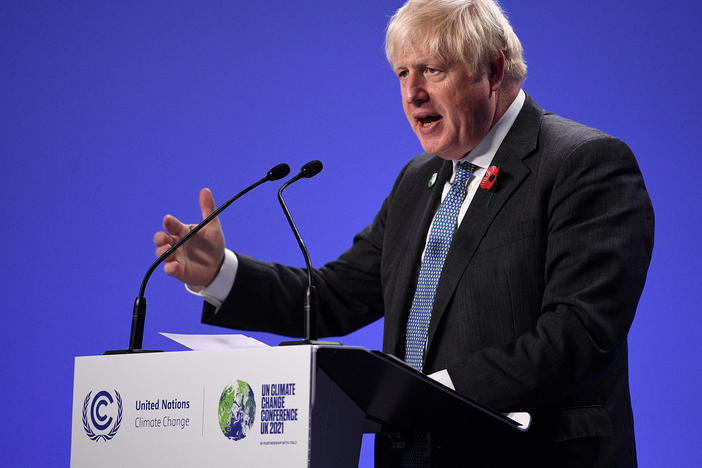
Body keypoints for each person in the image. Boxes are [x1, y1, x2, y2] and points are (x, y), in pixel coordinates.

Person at [153, 0, 653, 466]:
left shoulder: (583, 163)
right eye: (402, 74)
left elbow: (579, 334)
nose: (413, 93)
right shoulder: (420, 178)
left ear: (494, 70)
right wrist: (221, 275)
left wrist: (431, 394)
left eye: (432, 70)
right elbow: (335, 296)